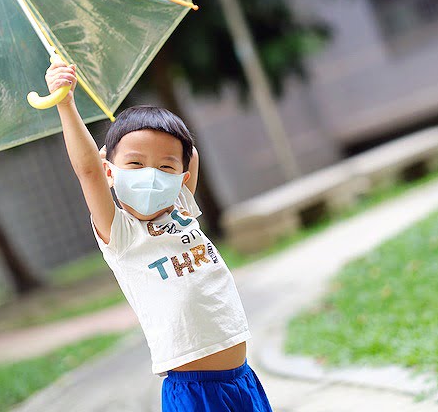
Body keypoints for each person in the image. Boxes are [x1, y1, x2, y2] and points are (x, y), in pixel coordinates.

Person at [45, 61, 273, 412]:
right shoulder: (121, 234)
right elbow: (88, 170)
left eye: (165, 167)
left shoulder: (180, 205)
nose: (151, 175)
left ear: (181, 178)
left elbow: (189, 154)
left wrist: (158, 133)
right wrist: (65, 102)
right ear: (110, 171)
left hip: (241, 379)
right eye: (135, 164)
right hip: (195, 391)